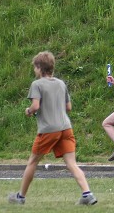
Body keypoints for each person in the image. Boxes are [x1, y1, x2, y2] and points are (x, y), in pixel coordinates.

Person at [8, 51, 97, 205]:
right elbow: (68, 107)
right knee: (71, 163)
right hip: (66, 128)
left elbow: (35, 106)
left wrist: (29, 111)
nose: (34, 70)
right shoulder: (61, 83)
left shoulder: (36, 84)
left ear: (39, 67)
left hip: (48, 129)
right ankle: (87, 194)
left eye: (35, 67)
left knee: (32, 162)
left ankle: (20, 197)